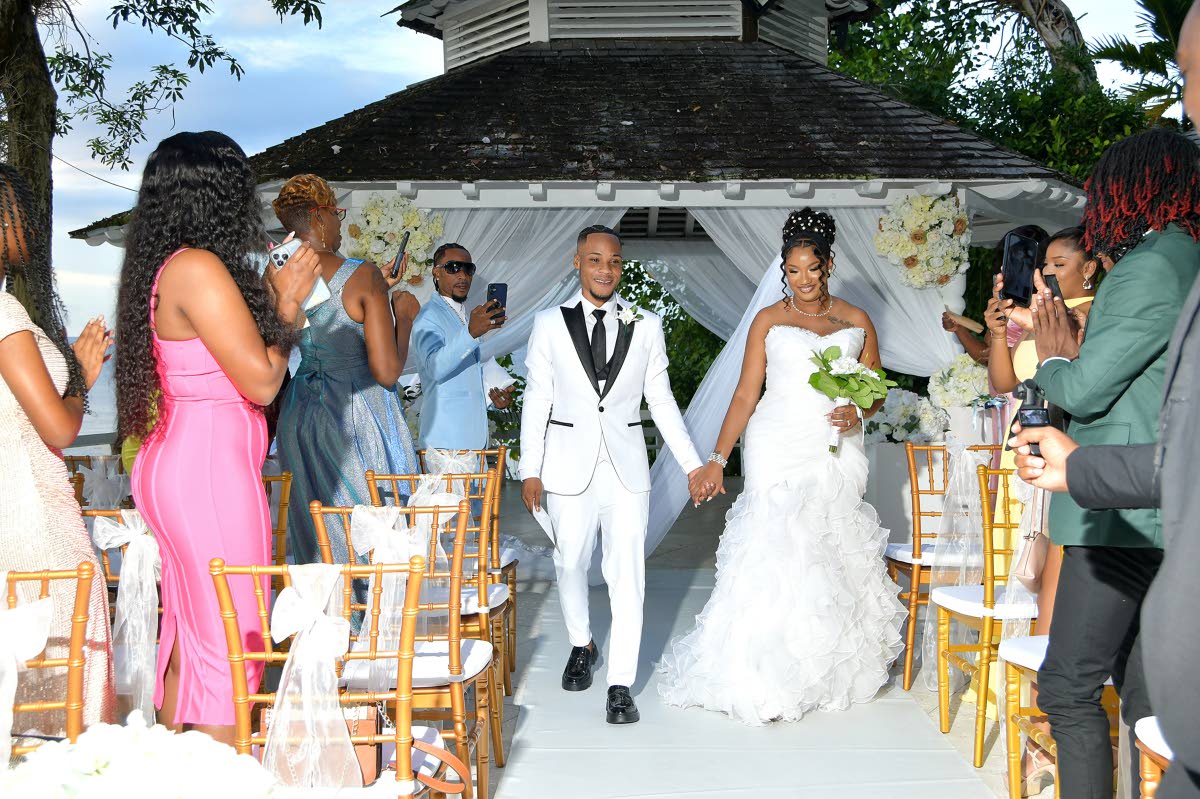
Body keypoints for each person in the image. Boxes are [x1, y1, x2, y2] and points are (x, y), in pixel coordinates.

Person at [1010, 9, 1200, 798]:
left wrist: (1054, 356)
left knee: (1068, 687)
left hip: (1119, 511)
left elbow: (1085, 386)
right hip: (1146, 504)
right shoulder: (1179, 256)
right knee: (1141, 694)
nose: (1098, 208)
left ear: (1134, 189)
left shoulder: (1154, 263)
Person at [658, 209, 905, 725]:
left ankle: (820, 665)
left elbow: (876, 388)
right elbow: (745, 394)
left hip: (832, 443)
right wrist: (717, 459)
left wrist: (859, 411)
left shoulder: (856, 320)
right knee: (775, 544)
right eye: (793, 270)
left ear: (829, 264)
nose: (803, 279)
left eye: (812, 268)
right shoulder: (768, 320)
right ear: (783, 271)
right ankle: (761, 670)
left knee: (825, 544)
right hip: (774, 441)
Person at [116, 132, 322, 743]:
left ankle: (178, 772)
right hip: (205, 472)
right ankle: (220, 775)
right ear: (220, 193)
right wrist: (288, 304)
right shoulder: (197, 268)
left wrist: (275, 298)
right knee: (235, 643)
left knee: (194, 635)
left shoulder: (169, 266)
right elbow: (262, 380)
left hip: (185, 462)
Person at [519, 225, 703, 725]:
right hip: (565, 467)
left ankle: (620, 684)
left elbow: (661, 401)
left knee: (628, 573)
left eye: (615, 261)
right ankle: (582, 642)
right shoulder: (548, 324)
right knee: (571, 562)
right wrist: (530, 468)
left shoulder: (646, 324)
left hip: (626, 470)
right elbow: (537, 397)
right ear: (577, 262)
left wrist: (692, 464)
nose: (606, 269)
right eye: (596, 259)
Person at [0, 163, 116, 733]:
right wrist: (84, 379)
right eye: (17, 211)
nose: (28, 221)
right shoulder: (5, 315)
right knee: (71, 657)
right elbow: (59, 430)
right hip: (34, 514)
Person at [270, 174, 421, 568]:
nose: (340, 224)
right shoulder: (362, 274)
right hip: (355, 411)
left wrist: (378, 287)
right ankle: (369, 603)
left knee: (315, 524)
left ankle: (326, 600)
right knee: (369, 523)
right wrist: (402, 317)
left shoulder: (276, 274)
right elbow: (387, 372)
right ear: (319, 217)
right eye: (337, 214)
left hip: (301, 411)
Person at [411, 242, 513, 452]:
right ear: (436, 273)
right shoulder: (428, 316)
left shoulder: (465, 315)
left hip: (473, 440)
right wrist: (471, 333)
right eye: (453, 267)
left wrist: (493, 396)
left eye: (468, 269)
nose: (463, 275)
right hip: (445, 442)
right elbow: (434, 368)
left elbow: (462, 379)